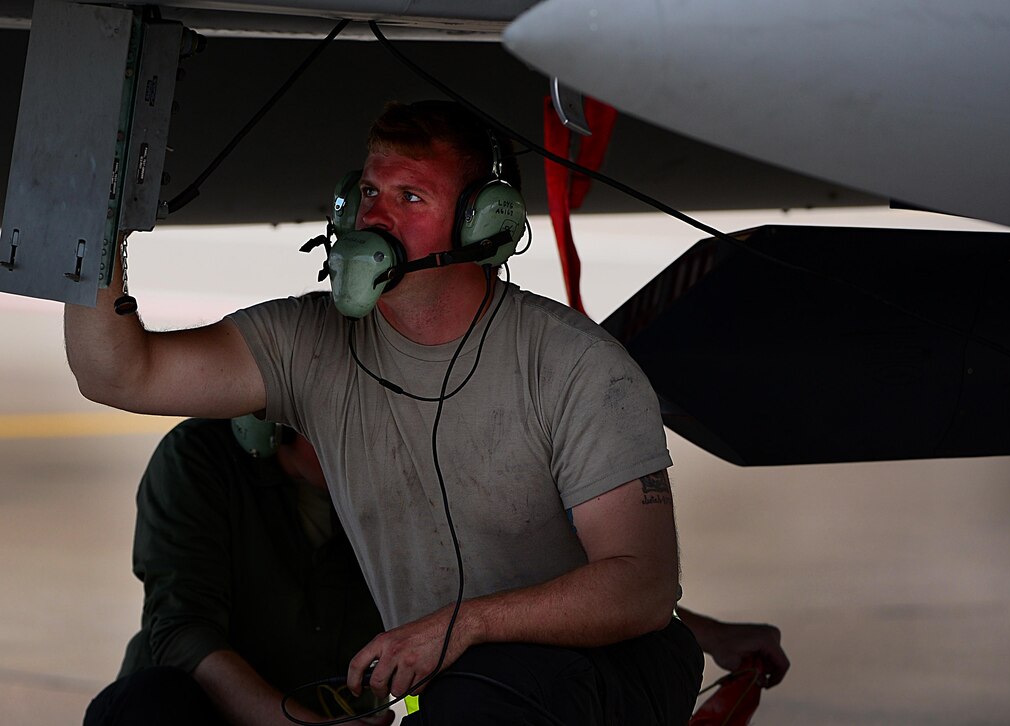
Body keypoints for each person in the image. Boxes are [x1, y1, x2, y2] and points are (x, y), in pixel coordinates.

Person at [63, 99, 767, 724]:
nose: (374, 217)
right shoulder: (310, 343)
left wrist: (460, 626)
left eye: (409, 197)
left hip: (612, 672)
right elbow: (121, 374)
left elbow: (641, 587)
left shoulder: (576, 367)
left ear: (482, 226)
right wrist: (97, 217)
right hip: (465, 679)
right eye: (368, 191)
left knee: (481, 691)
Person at [82, 417, 388, 726]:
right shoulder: (198, 457)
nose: (374, 444)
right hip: (197, 714)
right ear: (277, 421)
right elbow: (183, 637)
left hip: (338, 716)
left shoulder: (401, 491)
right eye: (347, 421)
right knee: (152, 702)